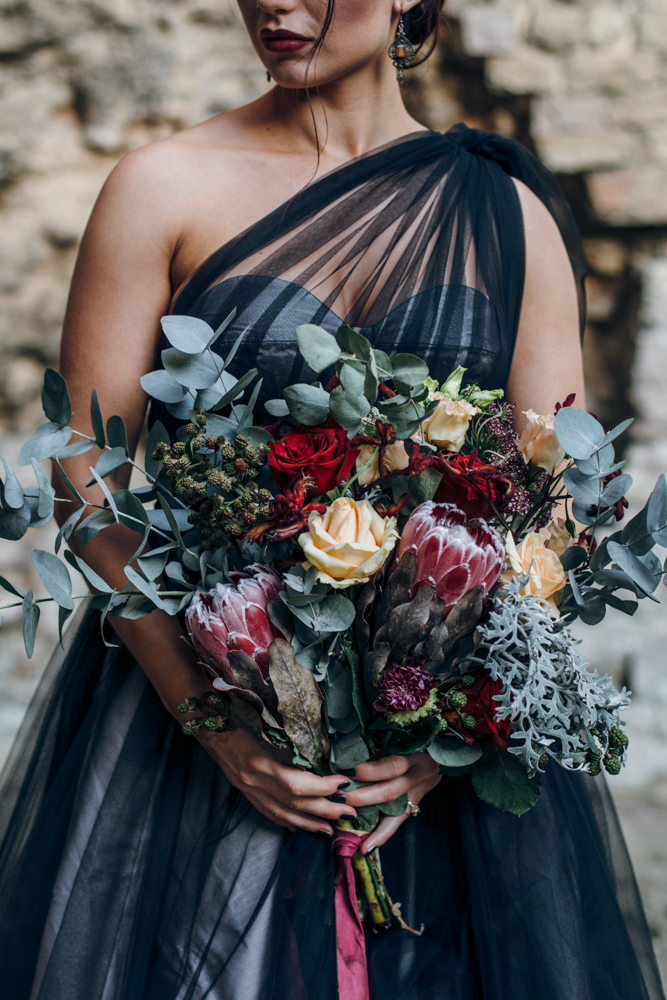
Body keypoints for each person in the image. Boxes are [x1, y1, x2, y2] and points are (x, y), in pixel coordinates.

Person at [0, 1, 663, 997]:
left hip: (433, 764)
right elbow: (86, 472)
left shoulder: (505, 210)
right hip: (196, 718)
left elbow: (555, 503)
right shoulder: (160, 187)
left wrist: (447, 730)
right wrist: (217, 726)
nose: (278, 2)